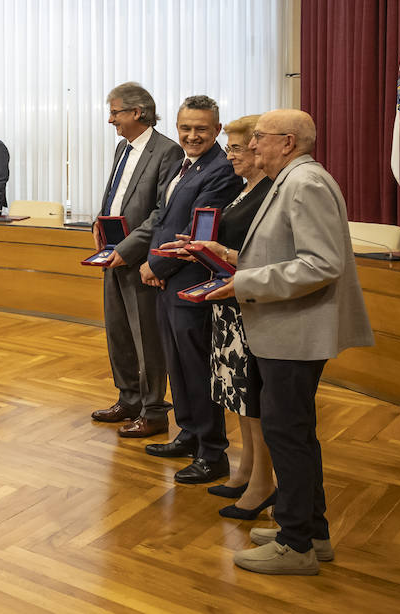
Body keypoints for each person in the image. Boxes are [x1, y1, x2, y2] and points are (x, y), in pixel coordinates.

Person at [189, 109, 373, 575]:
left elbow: (320, 264)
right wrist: (225, 255)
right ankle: (311, 531)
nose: (251, 147)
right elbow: (281, 252)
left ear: (287, 142)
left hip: (294, 331)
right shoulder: (292, 180)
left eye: (260, 140)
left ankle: (296, 546)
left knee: (287, 436)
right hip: (284, 328)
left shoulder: (304, 183)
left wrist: (245, 281)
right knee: (293, 434)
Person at [138, 95, 244, 484]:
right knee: (177, 365)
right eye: (186, 128)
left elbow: (199, 234)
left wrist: (155, 265)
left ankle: (212, 452)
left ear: (217, 130)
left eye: (201, 129)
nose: (192, 135)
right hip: (169, 280)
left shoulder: (221, 170)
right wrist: (156, 266)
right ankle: (188, 433)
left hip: (194, 283)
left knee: (197, 368)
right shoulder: (183, 165)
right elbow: (165, 220)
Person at [191, 114, 276, 520]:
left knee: (254, 398)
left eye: (238, 148)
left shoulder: (271, 193)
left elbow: (266, 257)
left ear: (259, 151)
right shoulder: (245, 191)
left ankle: (263, 483)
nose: (232, 156)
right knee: (238, 396)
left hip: (250, 304)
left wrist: (223, 254)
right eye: (231, 149)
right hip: (228, 300)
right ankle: (245, 470)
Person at [94, 83, 184, 439]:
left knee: (146, 339)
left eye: (115, 112)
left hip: (142, 262)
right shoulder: (122, 147)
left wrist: (128, 249)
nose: (110, 119)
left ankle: (153, 411)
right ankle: (128, 399)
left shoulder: (168, 151)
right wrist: (98, 225)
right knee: (118, 334)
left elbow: (164, 211)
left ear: (137, 112)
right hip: (112, 257)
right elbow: (116, 199)